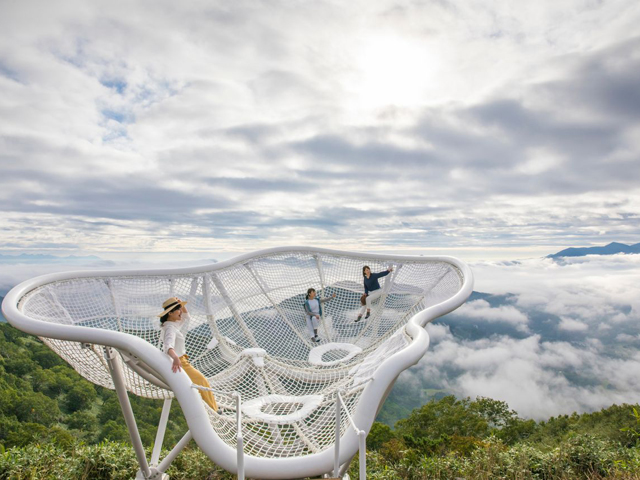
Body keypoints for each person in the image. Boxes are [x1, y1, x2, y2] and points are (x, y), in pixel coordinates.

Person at [158, 297, 218, 411]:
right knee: (202, 381)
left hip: (182, 361)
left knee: (201, 382)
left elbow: (186, 317)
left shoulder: (172, 324)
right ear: (170, 313)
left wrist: (181, 305)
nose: (181, 312)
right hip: (180, 363)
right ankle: (213, 409)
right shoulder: (170, 328)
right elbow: (168, 346)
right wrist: (175, 358)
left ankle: (212, 407)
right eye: (178, 310)